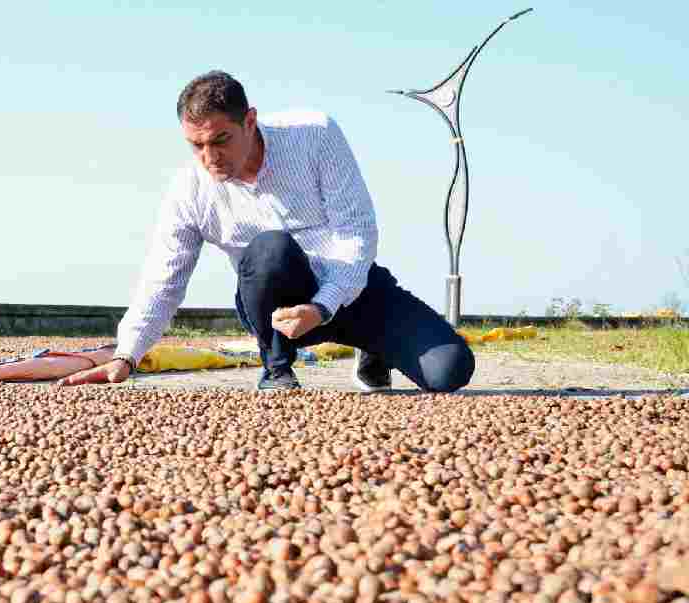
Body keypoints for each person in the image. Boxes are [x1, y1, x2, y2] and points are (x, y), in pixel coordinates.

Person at [56, 70, 475, 392]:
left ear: (250, 120)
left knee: (451, 370)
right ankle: (276, 368)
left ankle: (373, 348)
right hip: (277, 306)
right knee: (270, 250)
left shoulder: (314, 135)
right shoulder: (190, 189)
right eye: (196, 145)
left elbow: (357, 231)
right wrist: (127, 356)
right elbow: (162, 281)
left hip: (351, 290)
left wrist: (324, 305)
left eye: (221, 140)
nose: (209, 157)